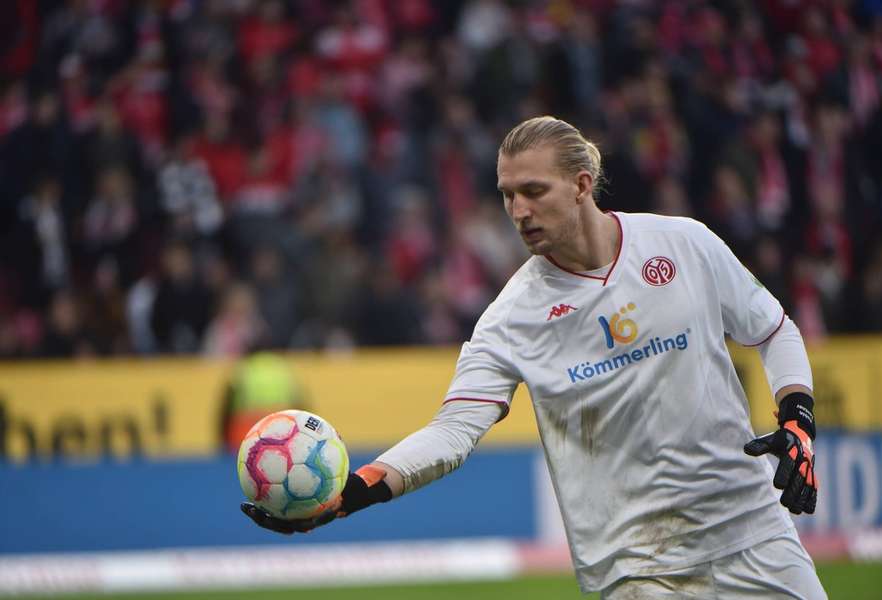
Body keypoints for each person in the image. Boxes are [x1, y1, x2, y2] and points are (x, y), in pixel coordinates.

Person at [242, 116, 825, 599]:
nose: (518, 211)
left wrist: (797, 419)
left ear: (581, 183)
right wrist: (356, 492)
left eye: (532, 192)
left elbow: (774, 331)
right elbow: (453, 433)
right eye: (506, 196)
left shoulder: (684, 244)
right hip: (638, 570)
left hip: (752, 531)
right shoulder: (510, 318)